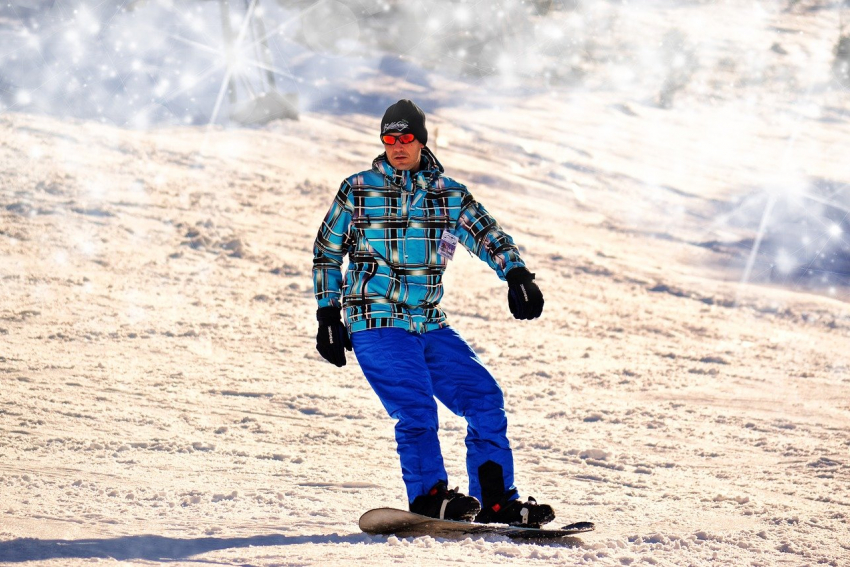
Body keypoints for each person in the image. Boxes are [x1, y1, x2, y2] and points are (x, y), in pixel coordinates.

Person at [312, 99, 553, 527]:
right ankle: (428, 497)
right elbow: (328, 253)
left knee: (484, 399)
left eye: (406, 137)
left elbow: (486, 233)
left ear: (422, 140)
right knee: (417, 409)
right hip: (377, 320)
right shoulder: (358, 189)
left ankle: (495, 498)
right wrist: (328, 316)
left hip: (429, 322)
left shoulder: (449, 194)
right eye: (390, 138)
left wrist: (516, 273)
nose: (398, 145)